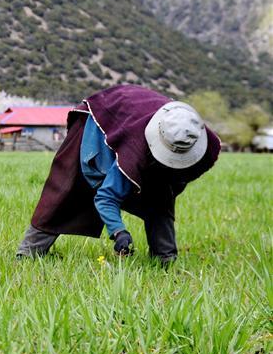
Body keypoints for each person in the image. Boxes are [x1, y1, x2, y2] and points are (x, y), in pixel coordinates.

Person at [17, 85, 220, 266]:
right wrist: (119, 232)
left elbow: (171, 188)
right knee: (65, 187)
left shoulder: (196, 135)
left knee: (161, 196)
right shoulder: (135, 152)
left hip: (133, 117)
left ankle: (164, 260)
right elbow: (107, 196)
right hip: (100, 117)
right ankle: (27, 253)